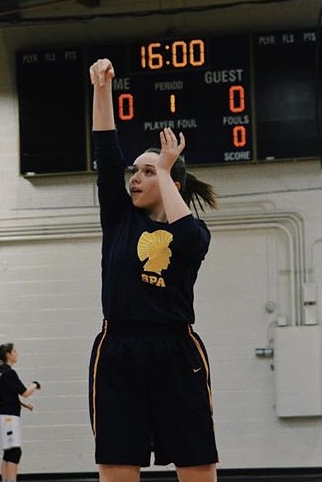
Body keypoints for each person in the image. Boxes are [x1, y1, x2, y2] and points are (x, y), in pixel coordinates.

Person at [87, 57, 219, 482]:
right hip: (119, 349)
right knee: (117, 462)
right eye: (137, 172)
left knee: (197, 464)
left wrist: (164, 168)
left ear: (171, 184)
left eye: (149, 172)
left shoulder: (193, 232)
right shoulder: (119, 218)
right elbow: (106, 151)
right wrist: (102, 89)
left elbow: (187, 239)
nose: (136, 179)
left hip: (176, 352)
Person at [0, 343, 41, 482]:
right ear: (8, 354)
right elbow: (25, 392)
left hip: (5, 415)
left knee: (9, 452)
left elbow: (8, 395)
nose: (17, 353)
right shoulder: (9, 373)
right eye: (14, 351)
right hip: (9, 417)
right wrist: (35, 384)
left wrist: (24, 406)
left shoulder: (3, 372)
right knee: (14, 452)